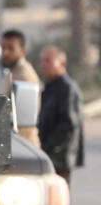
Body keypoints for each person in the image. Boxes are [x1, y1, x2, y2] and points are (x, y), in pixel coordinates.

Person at [37, 45, 84, 184]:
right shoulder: (50, 87)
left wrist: (47, 147)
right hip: (48, 156)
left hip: (59, 159)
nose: (43, 65)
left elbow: (69, 125)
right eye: (42, 61)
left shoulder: (67, 89)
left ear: (62, 64)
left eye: (48, 60)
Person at [0, 29, 41, 145]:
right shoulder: (13, 72)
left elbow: (24, 120)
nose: (5, 53)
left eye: (11, 48)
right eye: (3, 48)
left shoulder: (25, 76)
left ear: (23, 51)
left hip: (23, 144)